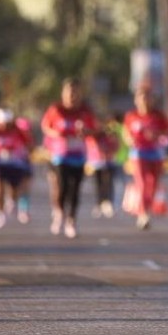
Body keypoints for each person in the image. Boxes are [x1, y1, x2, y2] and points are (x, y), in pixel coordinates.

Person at [40, 78, 99, 238]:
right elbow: (46, 126)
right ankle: (59, 212)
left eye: (75, 92)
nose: (72, 95)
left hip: (79, 155)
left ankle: (71, 221)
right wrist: (56, 134)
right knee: (61, 187)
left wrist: (85, 132)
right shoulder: (56, 109)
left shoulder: (86, 110)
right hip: (60, 155)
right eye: (69, 92)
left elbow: (95, 129)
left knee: (75, 189)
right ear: (63, 93)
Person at [122, 84, 168, 230]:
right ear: (136, 100)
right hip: (138, 153)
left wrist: (157, 135)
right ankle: (143, 214)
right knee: (142, 184)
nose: (145, 100)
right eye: (141, 97)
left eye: (147, 97)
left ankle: (146, 209)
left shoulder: (159, 116)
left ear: (152, 99)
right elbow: (126, 133)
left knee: (153, 184)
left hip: (156, 154)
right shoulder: (131, 116)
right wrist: (129, 140)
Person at [0, 107, 35, 227]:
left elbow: (29, 144)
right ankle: (0, 214)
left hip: (15, 163)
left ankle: (12, 201)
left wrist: (27, 154)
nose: (5, 127)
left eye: (7, 123)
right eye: (2, 123)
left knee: (14, 190)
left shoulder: (18, 130)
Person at [86, 118, 120, 219]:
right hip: (96, 163)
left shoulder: (110, 136)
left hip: (109, 162)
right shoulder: (92, 136)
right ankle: (99, 203)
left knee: (108, 183)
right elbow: (89, 145)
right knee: (98, 184)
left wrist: (111, 144)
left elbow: (116, 146)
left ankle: (108, 202)